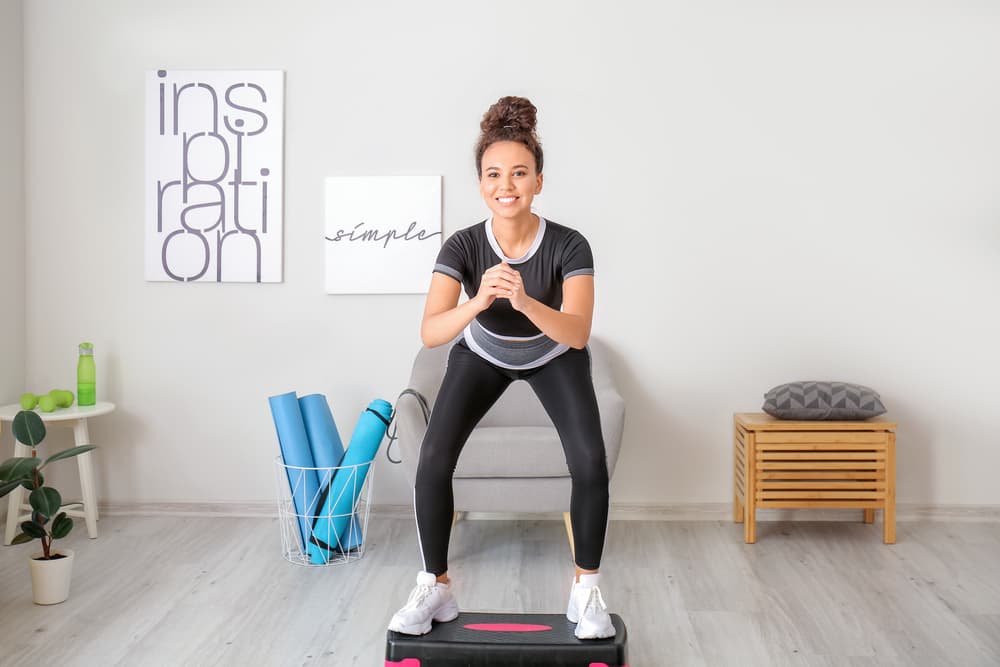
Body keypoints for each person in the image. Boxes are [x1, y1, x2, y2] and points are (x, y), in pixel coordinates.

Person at [388, 96, 614, 640]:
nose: (505, 184)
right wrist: (478, 301)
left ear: (539, 179)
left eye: (519, 172)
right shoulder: (464, 245)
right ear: (481, 182)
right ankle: (435, 587)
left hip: (553, 355)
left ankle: (586, 592)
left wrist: (527, 301)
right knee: (434, 456)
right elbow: (432, 331)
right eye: (493, 174)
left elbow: (577, 332)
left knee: (588, 460)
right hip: (482, 354)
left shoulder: (568, 244)